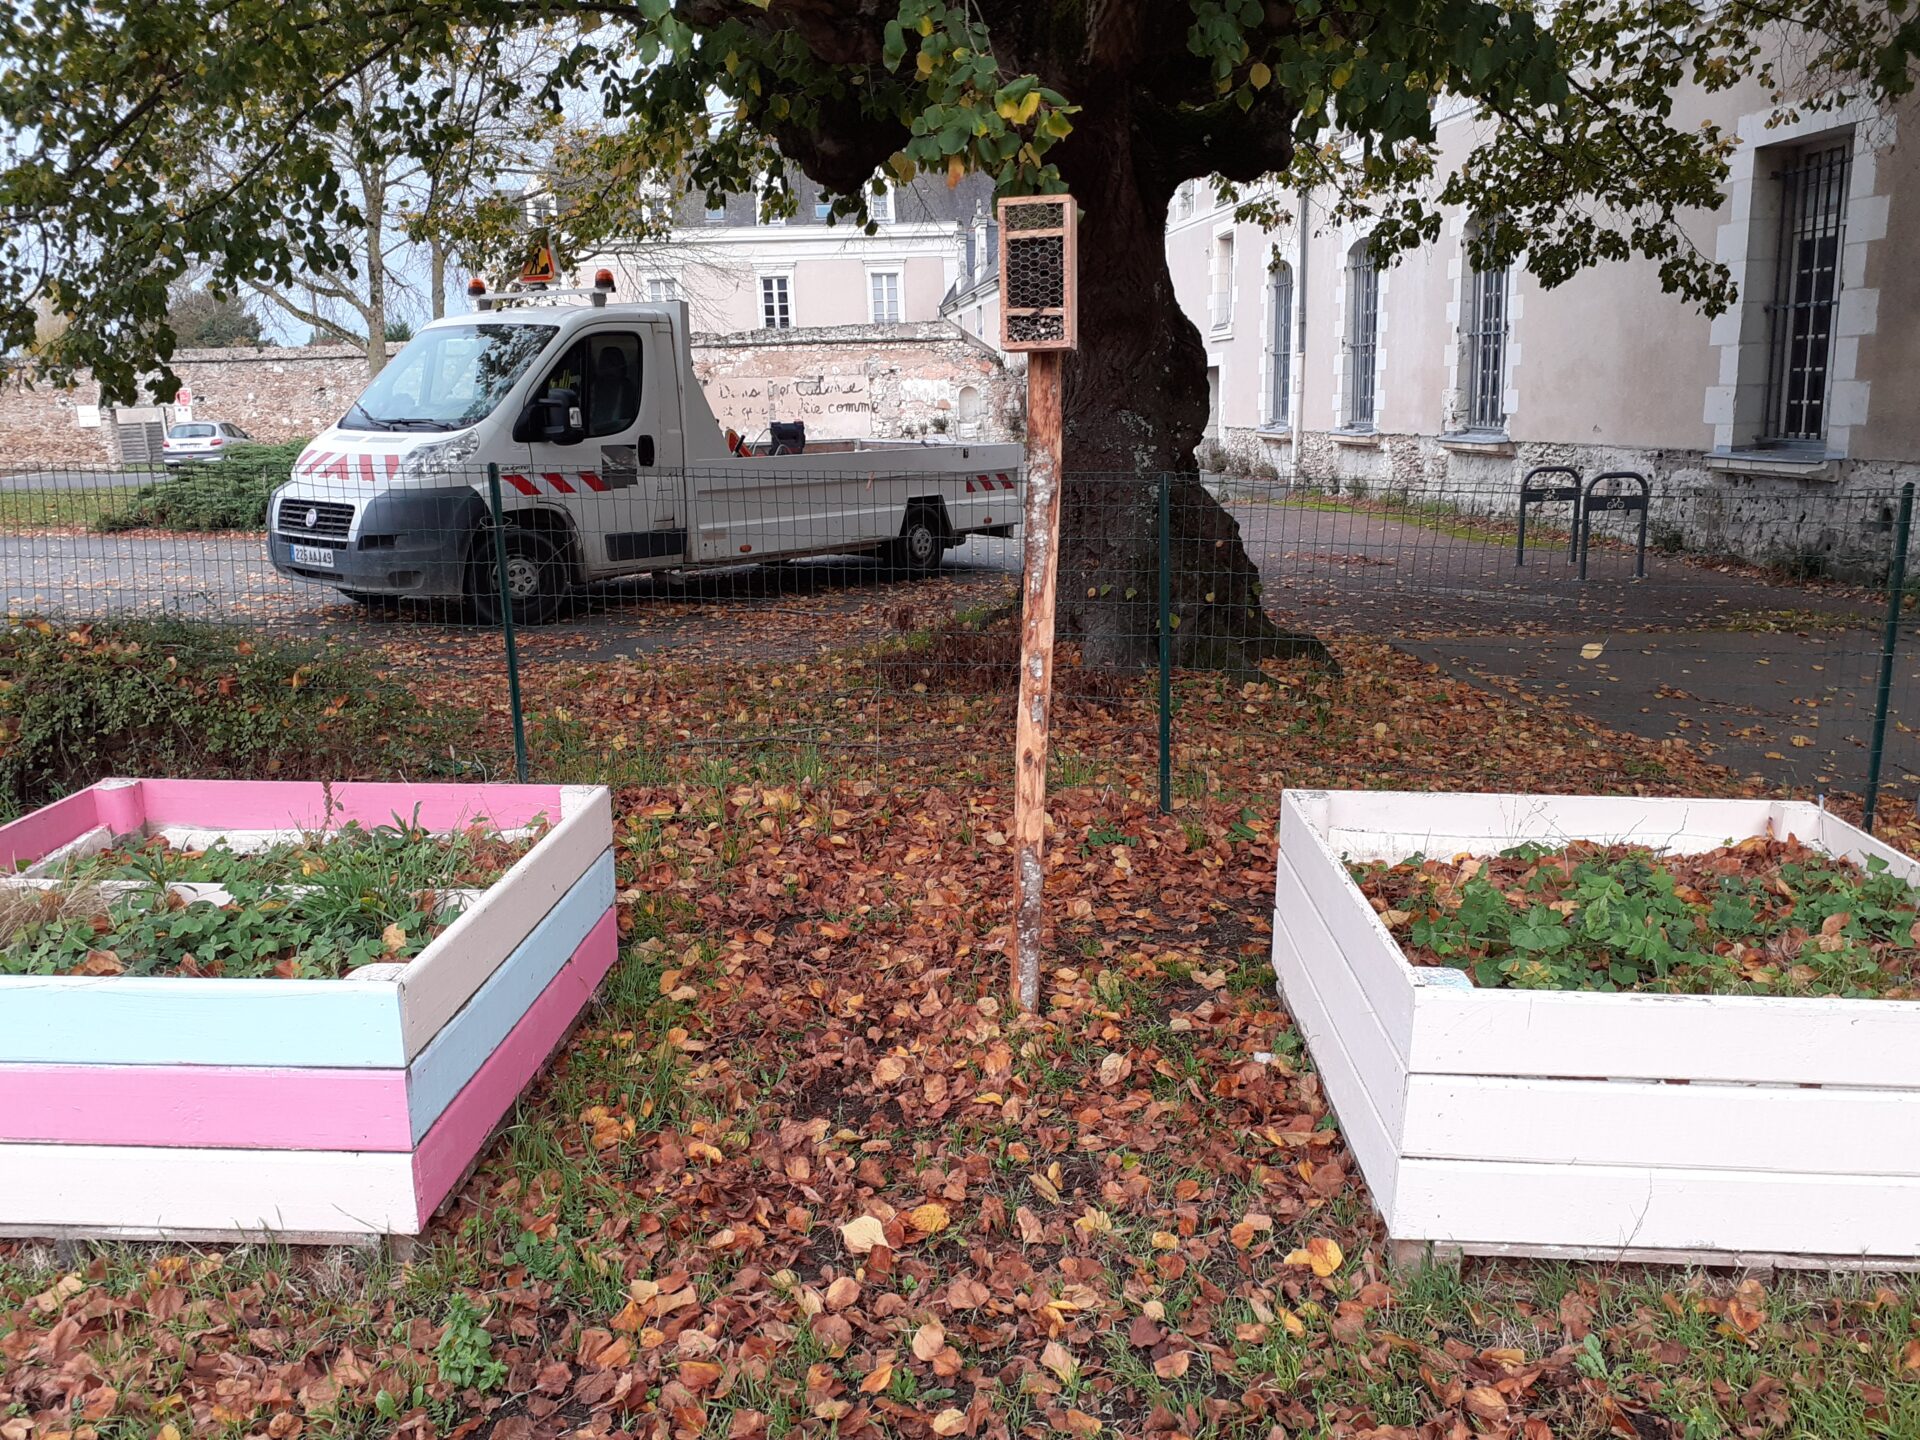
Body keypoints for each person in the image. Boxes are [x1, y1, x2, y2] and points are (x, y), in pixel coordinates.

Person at [590, 345, 637, 434]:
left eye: (612, 363)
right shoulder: (592, 386)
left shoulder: (628, 389)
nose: (607, 368)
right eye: (604, 363)